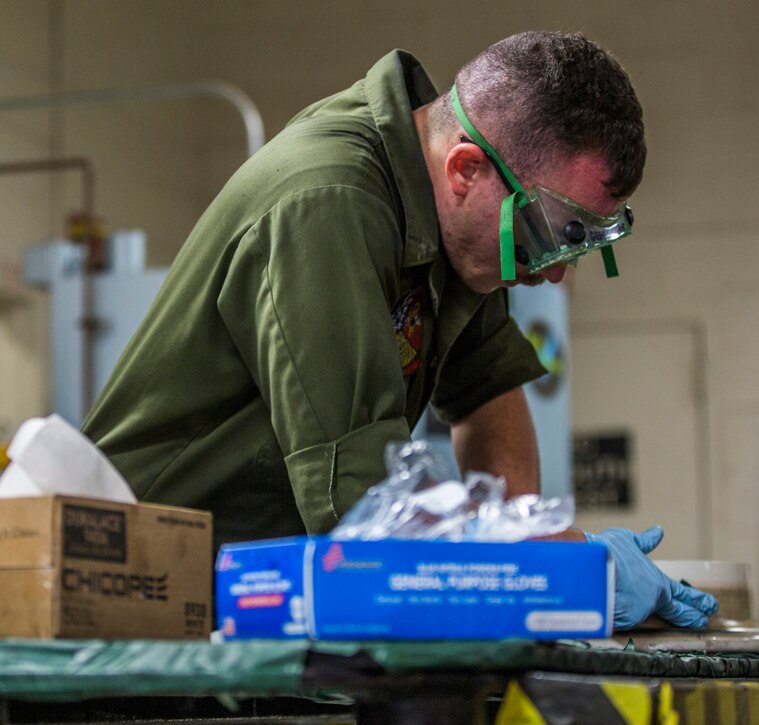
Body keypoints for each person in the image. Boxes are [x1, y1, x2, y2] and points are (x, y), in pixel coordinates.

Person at [82, 31, 717, 630]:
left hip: (244, 601)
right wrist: (576, 566)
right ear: (466, 168)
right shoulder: (326, 204)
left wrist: (537, 574)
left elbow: (488, 393)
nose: (550, 276)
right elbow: (365, 510)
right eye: (541, 240)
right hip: (136, 602)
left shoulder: (454, 225)